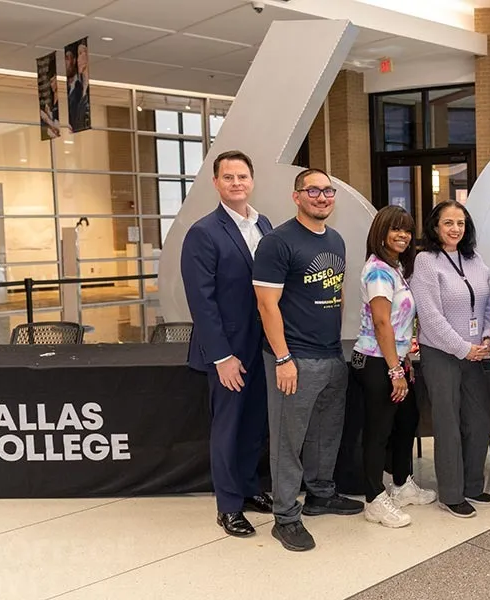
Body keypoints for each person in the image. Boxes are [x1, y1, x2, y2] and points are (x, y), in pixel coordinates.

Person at [253, 168, 363, 552]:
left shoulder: (335, 239)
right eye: (312, 190)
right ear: (296, 196)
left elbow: (338, 293)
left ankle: (320, 494)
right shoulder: (277, 243)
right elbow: (267, 306)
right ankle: (285, 516)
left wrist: (338, 346)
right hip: (294, 358)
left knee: (325, 433)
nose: (321, 196)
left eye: (328, 190)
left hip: (331, 354)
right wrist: (283, 358)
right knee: (288, 439)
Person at [180, 150, 274, 539]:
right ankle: (229, 506)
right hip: (228, 351)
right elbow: (202, 302)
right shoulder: (203, 233)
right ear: (216, 183)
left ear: (252, 181)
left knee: (255, 425)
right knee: (228, 428)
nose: (237, 183)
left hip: (262, 345)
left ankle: (251, 488)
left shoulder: (264, 224)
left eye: (243, 177)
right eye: (228, 177)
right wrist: (222, 356)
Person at [351, 205, 436, 529]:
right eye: (395, 229)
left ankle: (401, 484)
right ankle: (374, 499)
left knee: (407, 419)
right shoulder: (377, 271)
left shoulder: (396, 266)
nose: (402, 235)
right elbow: (382, 322)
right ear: (381, 233)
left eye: (406, 229)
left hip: (392, 359)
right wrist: (394, 370)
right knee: (379, 431)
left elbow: (399, 326)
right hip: (374, 361)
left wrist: (403, 361)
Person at [410, 200, 490, 519]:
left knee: (479, 419)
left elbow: (488, 304)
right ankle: (451, 493)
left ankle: (473, 484)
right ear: (435, 227)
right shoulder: (426, 261)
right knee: (447, 423)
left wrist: (487, 336)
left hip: (475, 353)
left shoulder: (476, 260)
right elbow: (429, 315)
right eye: (448, 223)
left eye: (460, 223)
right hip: (442, 353)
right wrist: (463, 348)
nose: (455, 228)